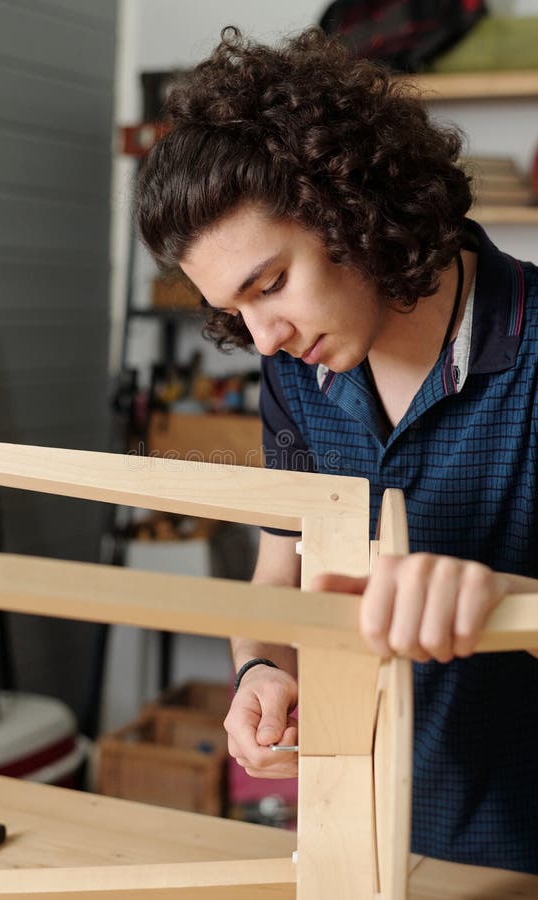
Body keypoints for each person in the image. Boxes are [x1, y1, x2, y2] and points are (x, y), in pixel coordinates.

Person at [135, 27, 538, 874]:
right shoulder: (295, 369)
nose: (264, 336)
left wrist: (505, 598)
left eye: (270, 284)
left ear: (351, 206)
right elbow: (278, 577)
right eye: (235, 312)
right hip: (366, 839)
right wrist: (258, 675)